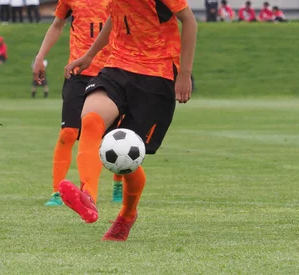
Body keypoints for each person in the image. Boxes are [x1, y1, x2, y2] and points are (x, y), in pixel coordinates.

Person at [61, 0, 197, 241]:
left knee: (127, 154)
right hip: (117, 66)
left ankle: (127, 214)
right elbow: (117, 15)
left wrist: (185, 74)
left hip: (157, 74)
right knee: (91, 120)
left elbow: (189, 21)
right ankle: (88, 196)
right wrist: (90, 55)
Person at [33, 0, 125, 206]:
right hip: (78, 73)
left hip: (111, 73)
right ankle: (58, 191)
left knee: (116, 136)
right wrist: (40, 57)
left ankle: (118, 183)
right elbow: (57, 25)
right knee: (68, 133)